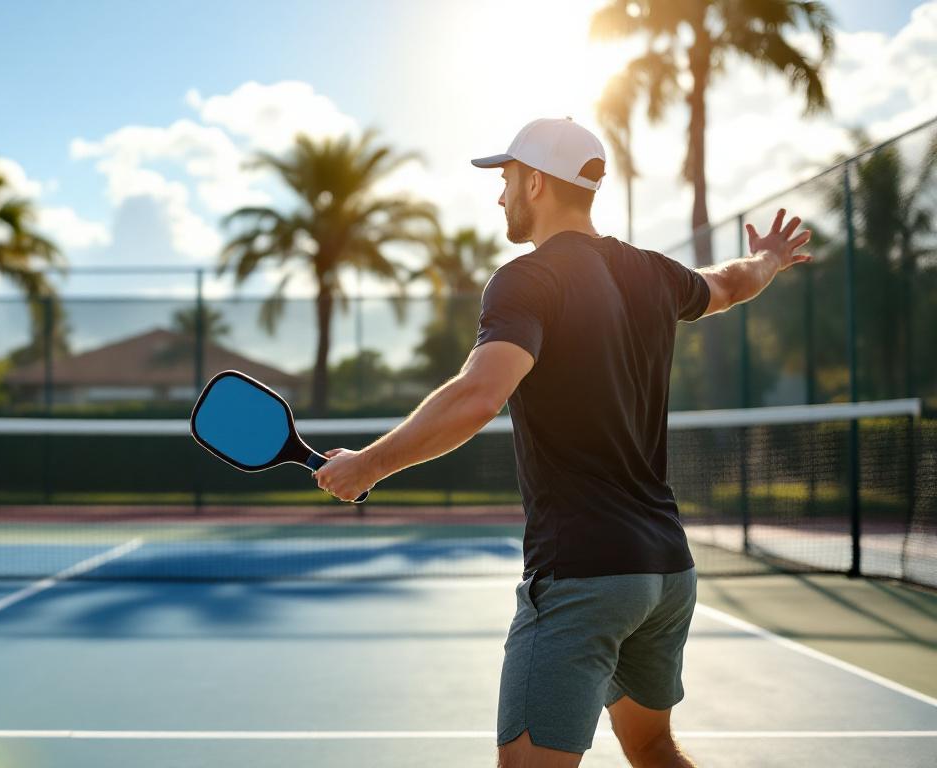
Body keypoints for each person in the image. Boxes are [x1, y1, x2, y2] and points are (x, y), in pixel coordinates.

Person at [313, 117, 812, 768]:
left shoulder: (527, 280)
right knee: (654, 749)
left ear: (538, 184)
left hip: (585, 573)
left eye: (507, 180)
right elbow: (729, 284)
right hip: (666, 572)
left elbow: (478, 395)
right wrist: (770, 258)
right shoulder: (654, 274)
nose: (500, 196)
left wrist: (368, 465)